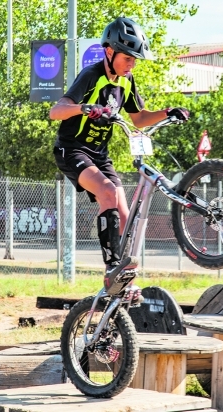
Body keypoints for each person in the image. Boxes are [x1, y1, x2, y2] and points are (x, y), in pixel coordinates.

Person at [49, 17, 189, 296]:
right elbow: (57, 111)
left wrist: (167, 112)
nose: (132, 65)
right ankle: (111, 268)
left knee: (126, 217)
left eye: (135, 60)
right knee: (108, 192)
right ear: (109, 52)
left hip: (100, 156)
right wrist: (85, 108)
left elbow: (138, 119)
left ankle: (124, 281)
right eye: (128, 58)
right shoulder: (92, 75)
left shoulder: (126, 81)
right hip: (72, 149)